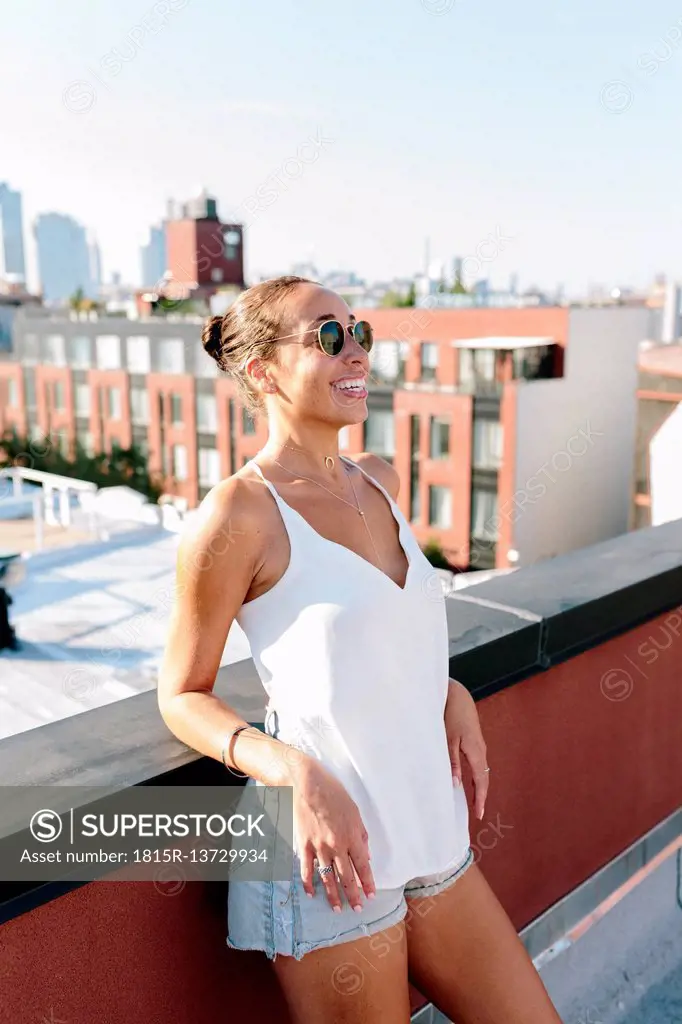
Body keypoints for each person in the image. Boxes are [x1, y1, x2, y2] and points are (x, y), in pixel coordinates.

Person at [158, 276, 562, 1023]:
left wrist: (446, 689)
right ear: (262, 371)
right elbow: (181, 693)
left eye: (360, 332)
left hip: (426, 829)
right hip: (326, 863)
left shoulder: (381, 479)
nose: (357, 354)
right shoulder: (239, 514)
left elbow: (386, 631)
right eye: (328, 337)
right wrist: (288, 769)